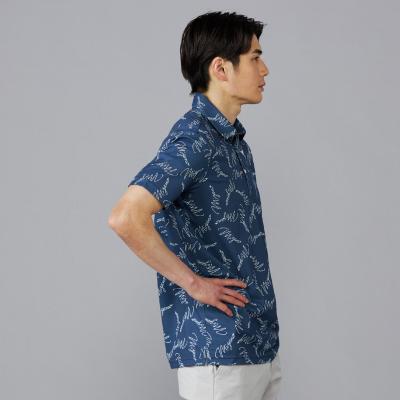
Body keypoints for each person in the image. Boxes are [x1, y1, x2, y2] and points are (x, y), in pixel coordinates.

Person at [108, 10, 282, 400]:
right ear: (221, 68)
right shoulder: (195, 139)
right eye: (255, 58)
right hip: (218, 353)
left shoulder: (234, 144)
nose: (265, 69)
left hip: (257, 346)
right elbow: (125, 217)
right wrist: (194, 285)